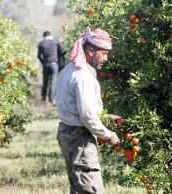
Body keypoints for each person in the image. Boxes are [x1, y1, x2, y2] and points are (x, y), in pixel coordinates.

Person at [56, 28, 120, 194]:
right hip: (79, 138)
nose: (106, 58)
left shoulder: (69, 70)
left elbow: (75, 107)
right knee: (90, 188)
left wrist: (104, 117)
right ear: (91, 51)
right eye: (103, 53)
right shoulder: (83, 76)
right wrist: (107, 134)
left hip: (66, 133)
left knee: (77, 187)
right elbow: (86, 116)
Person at [37, 31, 64, 104]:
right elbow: (62, 51)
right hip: (54, 64)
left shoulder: (41, 43)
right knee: (53, 82)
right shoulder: (56, 42)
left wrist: (43, 63)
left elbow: (39, 56)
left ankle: (43, 97)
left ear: (44, 36)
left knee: (45, 81)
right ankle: (51, 100)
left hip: (45, 64)